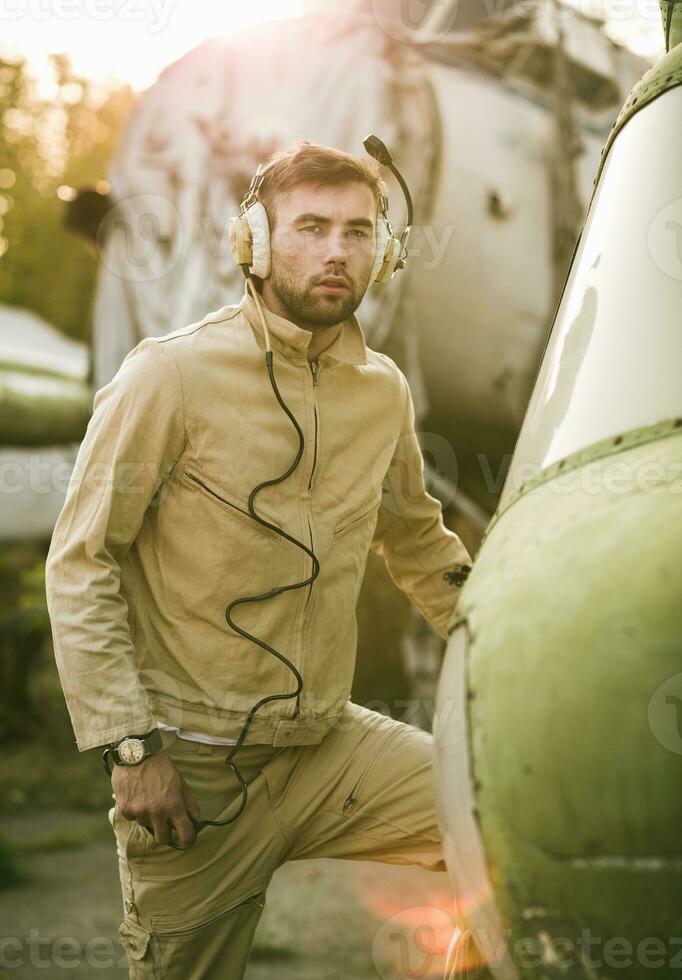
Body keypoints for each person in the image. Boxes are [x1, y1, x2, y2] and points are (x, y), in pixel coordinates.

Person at [44, 140, 473, 979]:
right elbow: (83, 560)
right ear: (255, 243)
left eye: (357, 231)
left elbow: (419, 542)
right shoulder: (167, 376)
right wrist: (131, 749)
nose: (335, 251)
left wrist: (509, 652)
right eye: (309, 227)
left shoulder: (381, 391)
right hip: (191, 770)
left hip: (327, 746)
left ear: (382, 252)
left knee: (505, 819)